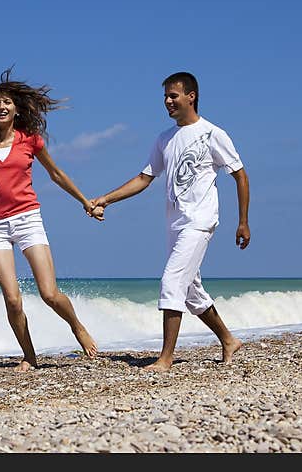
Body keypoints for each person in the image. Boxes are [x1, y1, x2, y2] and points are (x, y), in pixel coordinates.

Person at [90, 71, 250, 372]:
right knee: (190, 292)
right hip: (174, 223)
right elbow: (143, 178)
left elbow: (240, 174)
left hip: (200, 220)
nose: (167, 101)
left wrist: (243, 221)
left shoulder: (212, 134)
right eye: (165, 97)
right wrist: (105, 199)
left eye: (173, 96)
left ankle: (166, 358)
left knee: (172, 281)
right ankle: (229, 340)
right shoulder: (164, 139)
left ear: (191, 96)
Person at [0, 68, 99, 371]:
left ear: (16, 108)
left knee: (49, 293)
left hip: (28, 219)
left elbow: (56, 174)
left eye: (7, 102)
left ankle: (76, 325)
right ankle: (29, 355)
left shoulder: (30, 140)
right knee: (12, 300)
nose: (1, 107)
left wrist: (85, 202)